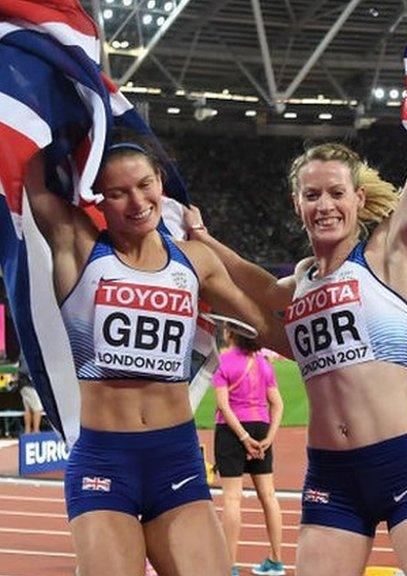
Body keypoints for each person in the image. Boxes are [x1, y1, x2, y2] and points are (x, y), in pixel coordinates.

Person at [183, 3, 407, 574]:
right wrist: (203, 237)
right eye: (312, 195)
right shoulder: (300, 281)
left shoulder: (387, 253)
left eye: (336, 192)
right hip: (330, 476)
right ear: (298, 206)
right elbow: (259, 286)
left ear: (358, 199)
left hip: (401, 463)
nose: (325, 204)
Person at [23, 137, 281, 576]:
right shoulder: (81, 249)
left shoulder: (194, 261)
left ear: (161, 182)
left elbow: (266, 319)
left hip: (175, 460)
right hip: (104, 463)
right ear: (98, 200)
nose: (137, 201)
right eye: (118, 192)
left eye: (145, 184)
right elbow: (30, 171)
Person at [212, 331, 285, 576]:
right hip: (261, 428)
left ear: (229, 333)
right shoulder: (263, 362)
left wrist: (243, 437)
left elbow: (223, 405)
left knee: (232, 499)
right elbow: (278, 403)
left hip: (232, 431)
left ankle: (229, 566)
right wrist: (268, 438)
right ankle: (276, 560)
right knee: (269, 495)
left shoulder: (223, 361)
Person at [17, 353, 43, 435]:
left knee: (28, 409)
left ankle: (27, 432)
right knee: (38, 408)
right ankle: (36, 431)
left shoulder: (23, 350)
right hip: (28, 383)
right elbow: (26, 369)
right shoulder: (28, 351)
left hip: (23, 383)